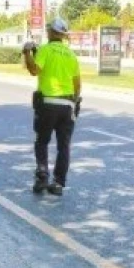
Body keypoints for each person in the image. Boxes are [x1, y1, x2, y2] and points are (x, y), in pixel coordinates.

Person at [22, 17, 82, 196]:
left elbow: (34, 70)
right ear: (63, 35)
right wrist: (75, 103)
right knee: (64, 146)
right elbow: (77, 84)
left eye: (48, 29)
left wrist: (27, 53)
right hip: (67, 105)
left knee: (42, 141)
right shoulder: (71, 55)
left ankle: (42, 176)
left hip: (47, 104)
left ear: (51, 32)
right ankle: (58, 184)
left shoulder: (45, 50)